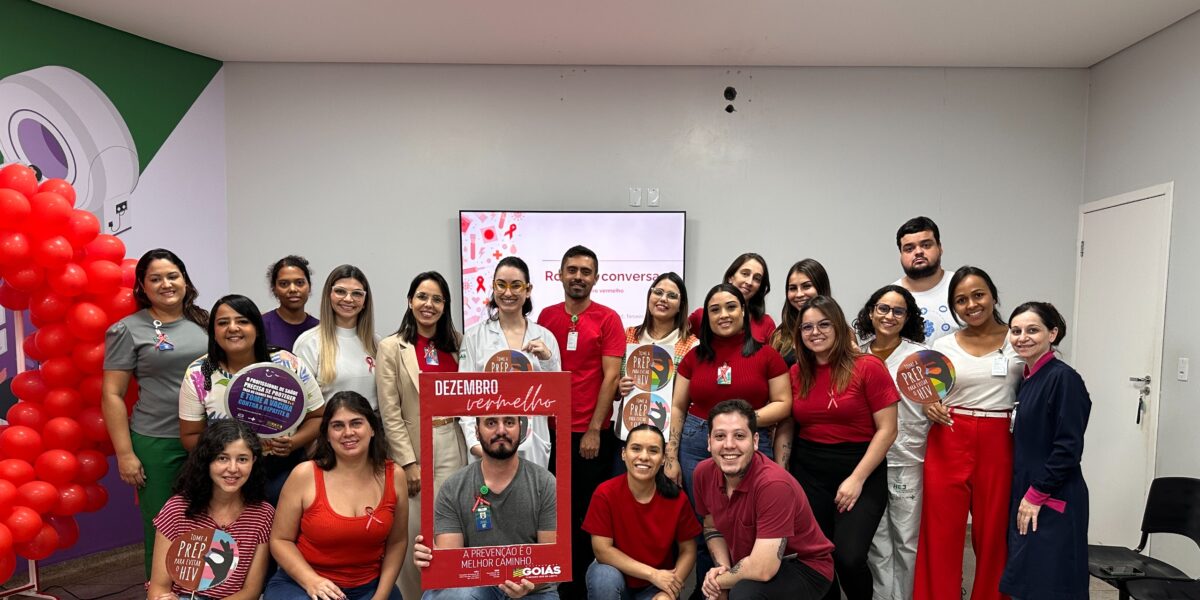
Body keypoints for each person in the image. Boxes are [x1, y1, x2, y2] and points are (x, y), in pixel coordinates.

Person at [775, 296, 897, 600]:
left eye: (824, 324)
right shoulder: (797, 372)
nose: (815, 332)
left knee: (849, 557)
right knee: (817, 558)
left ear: (839, 327)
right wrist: (781, 471)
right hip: (810, 471)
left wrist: (856, 480)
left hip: (860, 469)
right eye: (807, 327)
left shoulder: (868, 366)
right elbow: (789, 424)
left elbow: (888, 429)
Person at [914, 266, 1022, 600]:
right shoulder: (943, 344)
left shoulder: (1017, 338)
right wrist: (929, 403)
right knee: (941, 531)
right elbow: (927, 389)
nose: (971, 305)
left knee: (993, 532)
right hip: (949, 434)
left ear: (993, 296)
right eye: (960, 300)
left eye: (978, 295)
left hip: (999, 436)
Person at [102, 248, 209, 577]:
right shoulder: (129, 329)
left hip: (208, 440)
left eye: (173, 275)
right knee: (164, 527)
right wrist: (125, 454)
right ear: (142, 287)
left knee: (208, 522)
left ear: (185, 280)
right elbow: (112, 393)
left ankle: (204, 593)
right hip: (156, 442)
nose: (166, 284)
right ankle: (160, 592)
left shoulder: (205, 320)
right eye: (156, 279)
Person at [536, 245, 625, 597]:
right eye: (571, 269)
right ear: (559, 274)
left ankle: (586, 591)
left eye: (585, 271)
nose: (578, 276)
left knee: (587, 519)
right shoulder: (545, 316)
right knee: (555, 518)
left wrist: (592, 429)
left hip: (591, 438)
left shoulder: (608, 318)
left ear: (596, 278)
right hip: (549, 434)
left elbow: (610, 377)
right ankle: (558, 589)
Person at [178, 294, 326, 504]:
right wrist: (228, 457)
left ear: (257, 328)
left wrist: (293, 443)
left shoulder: (287, 364)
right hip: (222, 473)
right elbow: (189, 435)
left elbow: (318, 416)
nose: (233, 328)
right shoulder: (199, 373)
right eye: (222, 323)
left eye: (242, 321)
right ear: (213, 332)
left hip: (280, 468)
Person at [267, 392, 407, 600]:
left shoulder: (394, 475)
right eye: (338, 426)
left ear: (372, 429)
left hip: (370, 587)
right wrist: (312, 581)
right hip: (304, 585)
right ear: (327, 434)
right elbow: (280, 540)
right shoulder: (304, 474)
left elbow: (397, 542)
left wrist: (381, 596)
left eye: (356, 423)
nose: (348, 432)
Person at [376, 271, 463, 600]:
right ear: (410, 301)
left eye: (437, 299)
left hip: (454, 440)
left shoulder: (458, 343)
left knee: (454, 525)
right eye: (422, 297)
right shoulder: (391, 347)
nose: (429, 304)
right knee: (417, 532)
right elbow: (390, 411)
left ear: (445, 305)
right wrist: (408, 463)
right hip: (415, 448)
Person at [693, 400, 834, 600]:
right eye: (720, 436)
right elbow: (712, 526)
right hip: (752, 560)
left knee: (744, 596)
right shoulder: (702, 473)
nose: (729, 444)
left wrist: (718, 581)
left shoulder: (774, 484)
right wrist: (722, 570)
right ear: (709, 442)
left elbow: (763, 569)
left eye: (740, 436)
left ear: (755, 441)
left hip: (805, 567)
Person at [1000, 302, 1091, 600]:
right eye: (1016, 331)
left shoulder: (1063, 379)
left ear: (1053, 333)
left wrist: (1037, 493)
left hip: (1053, 494)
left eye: (1033, 330)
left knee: (1051, 581)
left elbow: (1068, 447)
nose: (1022, 337)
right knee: (1028, 578)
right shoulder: (1028, 379)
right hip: (1029, 491)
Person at [413, 415, 559, 600]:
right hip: (476, 586)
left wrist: (522, 580)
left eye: (509, 422)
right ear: (476, 431)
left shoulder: (545, 483)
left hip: (533, 589)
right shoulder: (453, 487)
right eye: (491, 423)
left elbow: (550, 560)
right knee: (442, 596)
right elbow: (450, 565)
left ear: (520, 429)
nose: (501, 431)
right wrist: (433, 562)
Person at [665, 283, 790, 497]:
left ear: (743, 310)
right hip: (696, 445)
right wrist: (671, 457)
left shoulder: (768, 356)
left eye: (731, 307)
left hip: (751, 441)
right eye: (715, 310)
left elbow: (784, 404)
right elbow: (677, 407)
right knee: (704, 518)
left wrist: (740, 421)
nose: (723, 315)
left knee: (751, 515)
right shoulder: (692, 358)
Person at [853, 286, 928, 600]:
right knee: (877, 539)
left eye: (898, 311)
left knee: (906, 539)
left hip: (905, 456)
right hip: (867, 456)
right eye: (883, 308)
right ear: (871, 311)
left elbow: (936, 401)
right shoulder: (858, 353)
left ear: (907, 317)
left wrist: (939, 406)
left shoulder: (919, 356)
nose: (889, 316)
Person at [147, 420, 275, 600]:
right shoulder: (177, 509)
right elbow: (158, 588)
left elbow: (251, 592)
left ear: (253, 461)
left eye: (242, 459)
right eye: (222, 458)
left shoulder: (263, 514)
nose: (232, 469)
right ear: (207, 460)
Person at [459, 257, 560, 467]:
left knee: (531, 496)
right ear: (493, 287)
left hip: (533, 440)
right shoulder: (474, 336)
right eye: (501, 285)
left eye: (516, 286)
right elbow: (464, 396)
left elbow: (557, 398)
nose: (508, 293)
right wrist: (474, 442)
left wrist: (548, 360)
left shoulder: (545, 337)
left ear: (528, 289)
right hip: (488, 441)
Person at [583, 424, 701, 600]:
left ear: (663, 458)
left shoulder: (676, 497)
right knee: (603, 578)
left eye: (653, 451)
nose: (644, 456)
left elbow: (688, 550)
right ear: (624, 453)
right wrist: (652, 574)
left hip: (656, 585)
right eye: (636, 448)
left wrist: (670, 589)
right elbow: (602, 550)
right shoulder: (605, 493)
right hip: (617, 576)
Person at [615, 273, 699, 437]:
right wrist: (618, 387)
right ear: (649, 296)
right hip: (628, 435)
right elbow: (613, 387)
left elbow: (691, 399)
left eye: (672, 296)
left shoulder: (692, 345)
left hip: (668, 437)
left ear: (681, 304)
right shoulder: (628, 335)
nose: (663, 299)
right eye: (658, 292)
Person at [294, 265, 379, 409]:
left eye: (357, 294)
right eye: (340, 291)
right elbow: (300, 403)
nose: (348, 299)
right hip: (328, 429)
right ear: (329, 295)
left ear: (365, 301)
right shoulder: (309, 343)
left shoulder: (377, 343)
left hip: (373, 429)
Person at [894, 217, 958, 343]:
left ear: (940, 248)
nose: (918, 252)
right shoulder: (891, 296)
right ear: (901, 255)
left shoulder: (961, 285)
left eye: (926, 245)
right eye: (909, 248)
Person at [687, 253, 775, 343]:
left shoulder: (766, 323)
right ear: (730, 277)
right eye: (745, 274)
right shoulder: (701, 316)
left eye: (757, 279)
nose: (749, 282)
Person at [768, 259, 831, 366]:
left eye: (806, 286)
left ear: (821, 287)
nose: (799, 294)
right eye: (793, 288)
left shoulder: (843, 332)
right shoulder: (780, 336)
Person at [261, 255, 319, 352]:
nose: (293, 289)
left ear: (309, 286)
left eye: (299, 283)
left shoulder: (319, 329)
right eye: (284, 284)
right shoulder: (261, 326)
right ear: (274, 288)